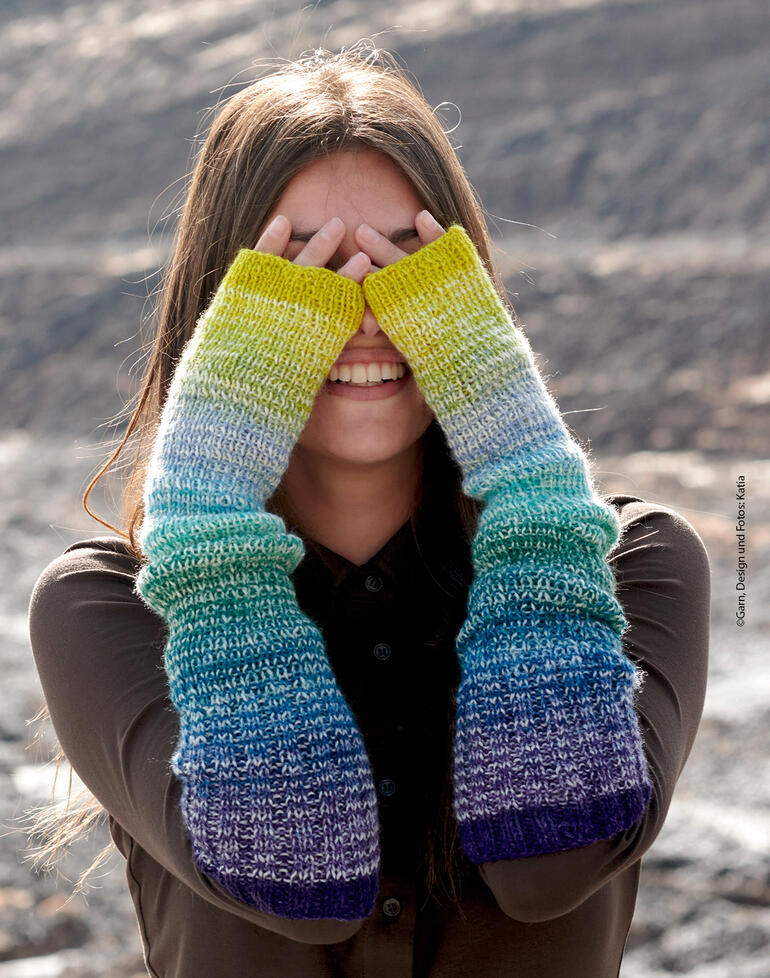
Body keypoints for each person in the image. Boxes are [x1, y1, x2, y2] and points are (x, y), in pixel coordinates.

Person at [26, 43, 711, 978]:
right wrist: (208, 499)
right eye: (303, 269)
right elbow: (295, 880)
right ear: (221, 309)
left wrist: (529, 472)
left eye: (406, 264)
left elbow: (553, 863)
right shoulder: (109, 608)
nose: (365, 315)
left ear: (470, 297)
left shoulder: (632, 563)